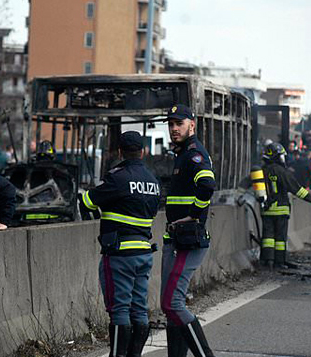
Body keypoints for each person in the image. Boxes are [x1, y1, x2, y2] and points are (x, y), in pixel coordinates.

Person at [79, 131, 161, 357]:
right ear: (143, 152)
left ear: (119, 152)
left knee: (119, 311)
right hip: (144, 253)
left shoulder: (117, 178)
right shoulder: (153, 182)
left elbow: (86, 202)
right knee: (139, 310)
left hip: (119, 255)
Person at [161, 105, 216, 357]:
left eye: (179, 123)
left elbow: (206, 185)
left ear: (191, 125)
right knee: (172, 305)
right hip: (175, 239)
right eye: (171, 124)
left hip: (187, 240)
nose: (174, 128)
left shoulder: (194, 153)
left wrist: (192, 214)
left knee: (172, 303)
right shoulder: (181, 153)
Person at [259, 143, 311, 269]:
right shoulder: (281, 171)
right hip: (281, 210)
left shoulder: (262, 170)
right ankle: (279, 262)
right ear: (277, 157)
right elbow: (295, 188)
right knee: (280, 238)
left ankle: (267, 260)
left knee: (268, 237)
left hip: (266, 210)